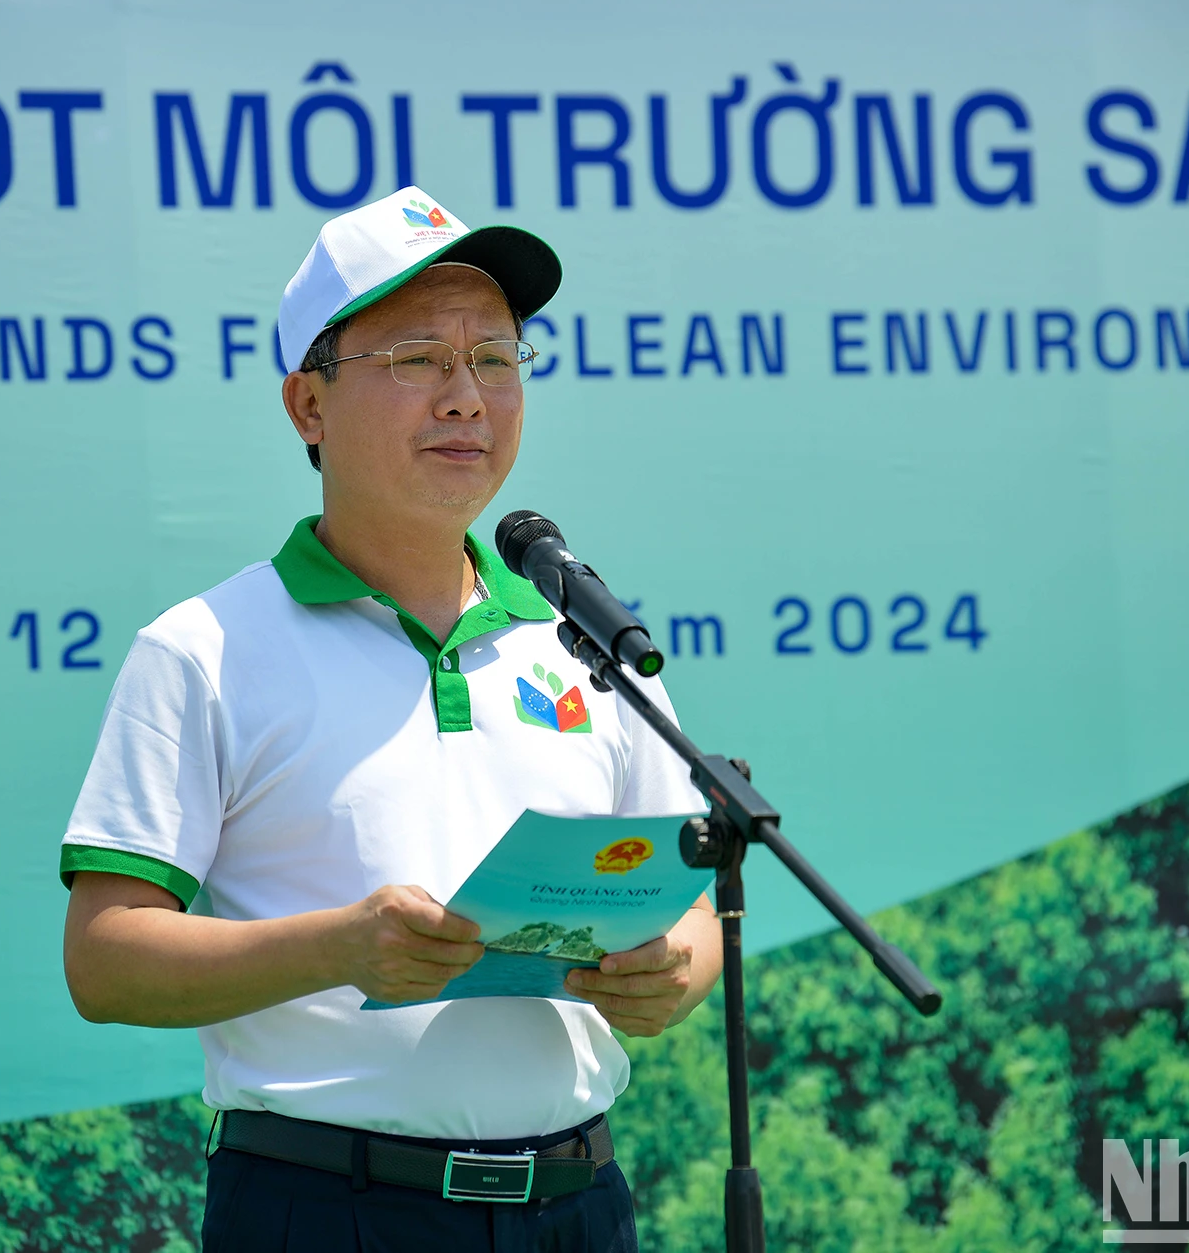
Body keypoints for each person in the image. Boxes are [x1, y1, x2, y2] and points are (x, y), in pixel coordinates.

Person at [59, 186, 721, 1252]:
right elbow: (105, 961)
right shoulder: (205, 650)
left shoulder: (582, 645)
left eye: (497, 360)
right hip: (328, 1208)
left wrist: (676, 968)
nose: (467, 397)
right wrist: (341, 949)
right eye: (418, 359)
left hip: (580, 1206)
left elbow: (687, 902)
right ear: (308, 407)